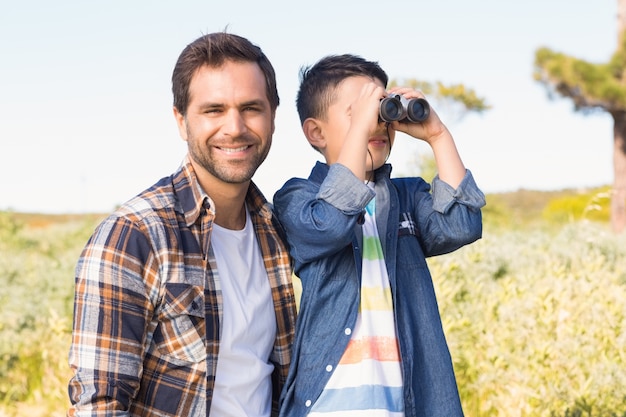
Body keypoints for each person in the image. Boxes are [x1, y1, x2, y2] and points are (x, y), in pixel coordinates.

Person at [68, 32, 297, 417]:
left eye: (251, 108)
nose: (235, 127)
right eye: (214, 110)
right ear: (181, 120)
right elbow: (99, 406)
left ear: (273, 116)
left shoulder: (275, 231)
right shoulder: (134, 236)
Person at [273, 54, 486, 417]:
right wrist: (361, 131)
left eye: (382, 109)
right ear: (316, 132)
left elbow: (460, 225)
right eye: (358, 113)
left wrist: (437, 135)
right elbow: (331, 224)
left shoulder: (406, 197)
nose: (376, 123)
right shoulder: (298, 197)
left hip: (402, 402)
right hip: (326, 402)